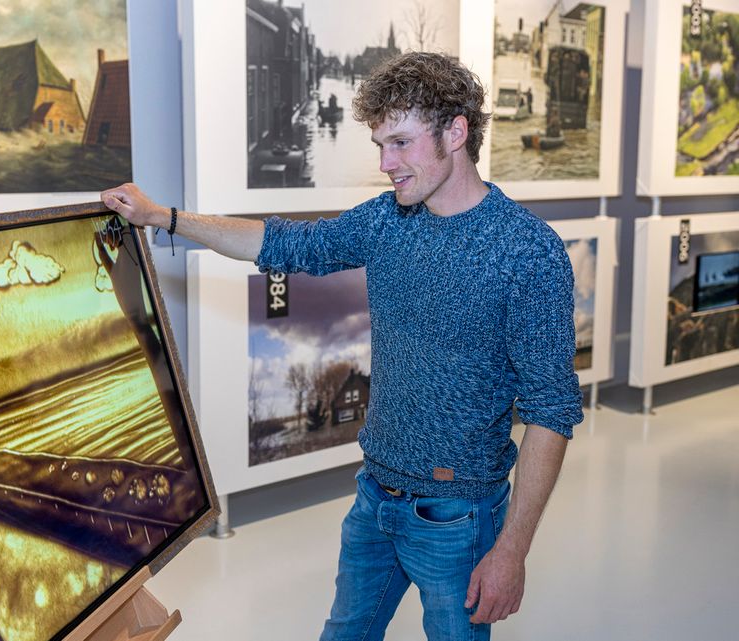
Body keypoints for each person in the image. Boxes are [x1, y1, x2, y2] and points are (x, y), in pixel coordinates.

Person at [101, 51, 582, 641]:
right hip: (374, 499)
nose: (386, 163)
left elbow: (551, 413)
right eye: (380, 145)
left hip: (458, 518)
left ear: (456, 132)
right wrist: (162, 216)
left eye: (400, 143)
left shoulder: (527, 253)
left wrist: (512, 551)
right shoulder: (386, 221)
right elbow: (282, 243)